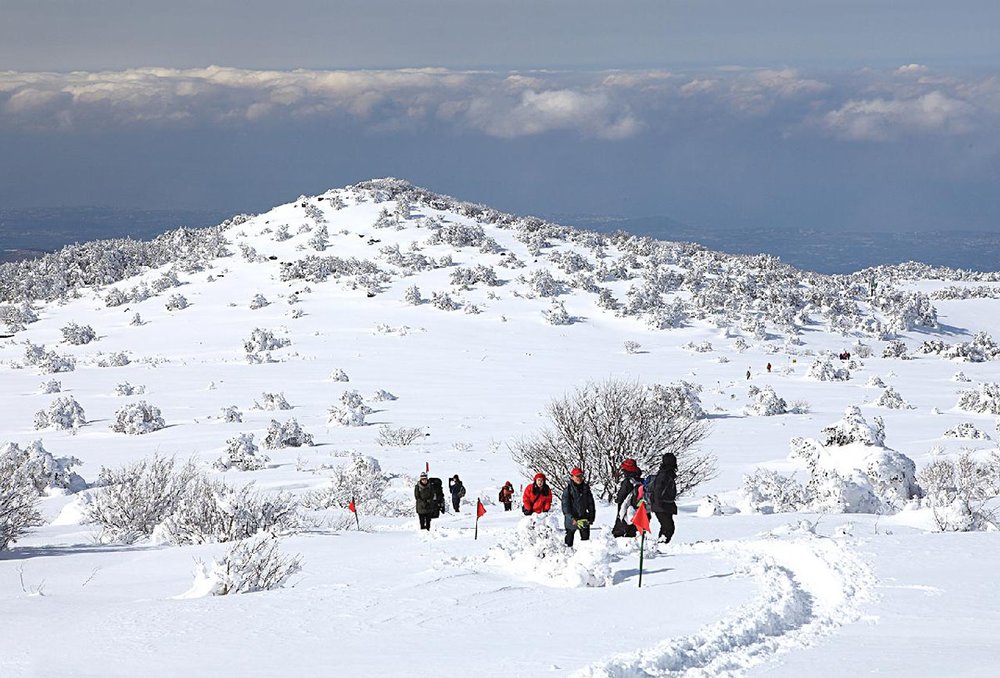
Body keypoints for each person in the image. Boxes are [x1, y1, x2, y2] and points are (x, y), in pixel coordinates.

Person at [561, 467, 596, 547]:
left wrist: (591, 517)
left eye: (580, 476)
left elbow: (591, 504)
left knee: (586, 541)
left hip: (583, 517)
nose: (579, 478)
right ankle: (567, 556)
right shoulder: (568, 490)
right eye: (577, 476)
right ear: (572, 477)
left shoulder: (586, 488)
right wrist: (571, 518)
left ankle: (584, 556)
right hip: (572, 519)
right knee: (569, 541)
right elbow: (565, 506)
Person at [648, 452, 678, 544]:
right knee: (668, 527)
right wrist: (658, 503)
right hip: (662, 505)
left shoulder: (667, 474)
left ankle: (661, 543)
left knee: (667, 527)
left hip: (666, 504)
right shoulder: (664, 475)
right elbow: (658, 490)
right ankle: (661, 544)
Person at [613, 458, 644, 537]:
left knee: (620, 529)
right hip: (638, 509)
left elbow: (620, 497)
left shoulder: (627, 482)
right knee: (633, 530)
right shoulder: (640, 481)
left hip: (625, 508)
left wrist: (617, 499)